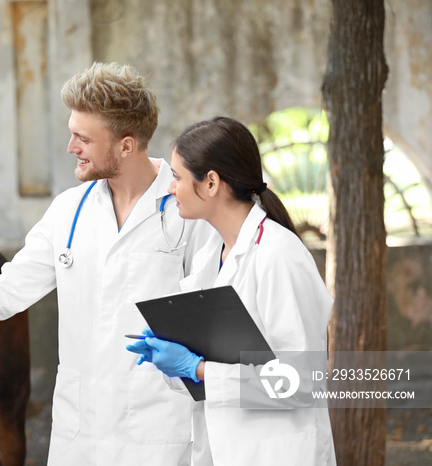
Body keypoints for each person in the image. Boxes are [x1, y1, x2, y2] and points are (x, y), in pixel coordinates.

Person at [0, 62, 211, 465]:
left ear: (126, 146)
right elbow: (6, 291)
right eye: (71, 133)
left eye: (83, 138)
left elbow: (215, 320)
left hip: (160, 432)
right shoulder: (69, 211)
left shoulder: (188, 213)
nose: (70, 147)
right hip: (79, 433)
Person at [126, 116, 336, 465]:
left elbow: (300, 382)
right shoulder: (212, 257)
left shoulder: (279, 255)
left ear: (210, 183)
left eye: (177, 178)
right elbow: (214, 370)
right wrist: (176, 358)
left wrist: (198, 369)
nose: (170, 188)